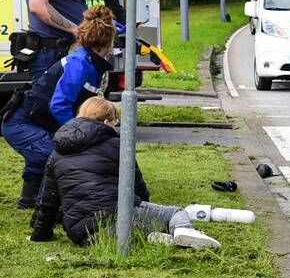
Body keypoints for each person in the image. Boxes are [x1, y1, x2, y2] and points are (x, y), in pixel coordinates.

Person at [28, 97, 221, 249]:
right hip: (116, 219)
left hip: (83, 235)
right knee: (175, 212)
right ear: (106, 122)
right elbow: (138, 188)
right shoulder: (117, 146)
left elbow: (48, 201)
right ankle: (183, 231)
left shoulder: (57, 152)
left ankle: (149, 238)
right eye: (114, 122)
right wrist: (143, 206)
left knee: (133, 230)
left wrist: (40, 235)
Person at [2, 5, 116, 208]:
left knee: (46, 153)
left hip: (33, 121)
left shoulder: (89, 60)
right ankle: (49, 206)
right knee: (57, 158)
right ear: (107, 41)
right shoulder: (79, 63)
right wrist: (78, 134)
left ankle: (28, 200)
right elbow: (59, 106)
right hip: (20, 123)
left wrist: (126, 27)